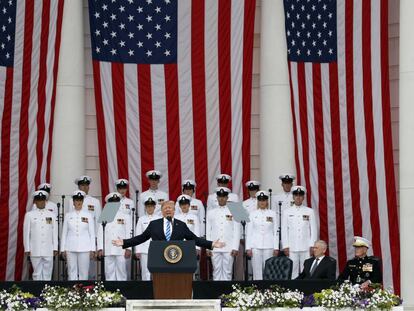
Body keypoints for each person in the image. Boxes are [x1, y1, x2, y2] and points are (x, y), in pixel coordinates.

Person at [113, 201, 225, 251]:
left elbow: (194, 239)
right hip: (159, 258)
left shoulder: (181, 225)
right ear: (161, 211)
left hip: (177, 258)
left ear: (174, 211)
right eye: (165, 208)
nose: (168, 210)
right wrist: (125, 242)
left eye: (170, 208)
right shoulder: (154, 224)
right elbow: (141, 238)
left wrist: (211, 244)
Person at [281, 185, 317, 279]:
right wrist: (285, 246)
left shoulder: (309, 211)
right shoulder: (287, 212)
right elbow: (284, 230)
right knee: (293, 270)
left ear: (303, 197)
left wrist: (312, 245)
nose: (298, 197)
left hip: (306, 247)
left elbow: (313, 229)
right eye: (296, 195)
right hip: (292, 247)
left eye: (300, 195)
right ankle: (294, 292)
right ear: (293, 196)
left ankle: (306, 292)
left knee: (307, 270)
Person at [206, 187, 241, 280]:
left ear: (227, 198)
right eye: (220, 197)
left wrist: (235, 247)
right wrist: (208, 247)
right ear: (217, 198)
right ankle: (216, 293)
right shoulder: (210, 212)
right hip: (215, 246)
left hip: (228, 246)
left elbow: (237, 230)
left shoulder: (235, 210)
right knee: (216, 270)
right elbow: (208, 231)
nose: (221, 199)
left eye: (224, 197)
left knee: (228, 272)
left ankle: (226, 293)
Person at [61, 191, 96, 280]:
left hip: (85, 247)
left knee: (83, 272)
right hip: (70, 247)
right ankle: (73, 291)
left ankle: (82, 291)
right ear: (73, 202)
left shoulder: (88, 215)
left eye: (80, 200)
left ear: (83, 201)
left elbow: (92, 233)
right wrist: (62, 249)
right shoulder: (68, 215)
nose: (78, 202)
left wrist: (93, 249)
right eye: (76, 200)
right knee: (71, 271)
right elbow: (64, 233)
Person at [23, 190, 58, 280]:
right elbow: (26, 233)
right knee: (36, 273)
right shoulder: (29, 215)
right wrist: (27, 248)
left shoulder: (52, 215)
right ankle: (37, 291)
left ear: (45, 201)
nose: (41, 202)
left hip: (48, 249)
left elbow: (54, 232)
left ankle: (47, 293)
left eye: (43, 200)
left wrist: (55, 248)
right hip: (35, 248)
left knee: (48, 273)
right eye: (38, 200)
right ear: (35, 202)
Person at [97, 192, 131, 281]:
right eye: (112, 202)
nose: (114, 204)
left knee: (122, 272)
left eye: (116, 202)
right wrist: (100, 248)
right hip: (108, 248)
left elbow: (129, 233)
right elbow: (100, 233)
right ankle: (111, 292)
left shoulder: (125, 216)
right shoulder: (105, 215)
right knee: (109, 272)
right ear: (109, 203)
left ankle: (122, 291)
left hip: (121, 248)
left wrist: (128, 248)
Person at [245, 191, 279, 280]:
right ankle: (257, 291)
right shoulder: (252, 214)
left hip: (269, 245)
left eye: (264, 200)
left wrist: (276, 247)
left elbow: (276, 232)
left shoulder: (272, 214)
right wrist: (248, 248)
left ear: (267, 201)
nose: (262, 202)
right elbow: (249, 232)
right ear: (257, 201)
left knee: (269, 270)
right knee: (256, 271)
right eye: (260, 200)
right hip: (255, 246)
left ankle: (269, 291)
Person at [135, 196, 161, 280]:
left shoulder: (159, 219)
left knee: (157, 271)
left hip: (156, 249)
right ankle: (145, 290)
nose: (150, 208)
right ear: (145, 207)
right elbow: (138, 235)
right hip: (144, 249)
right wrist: (138, 250)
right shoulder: (141, 219)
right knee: (145, 271)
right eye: (148, 206)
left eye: (151, 206)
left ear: (154, 207)